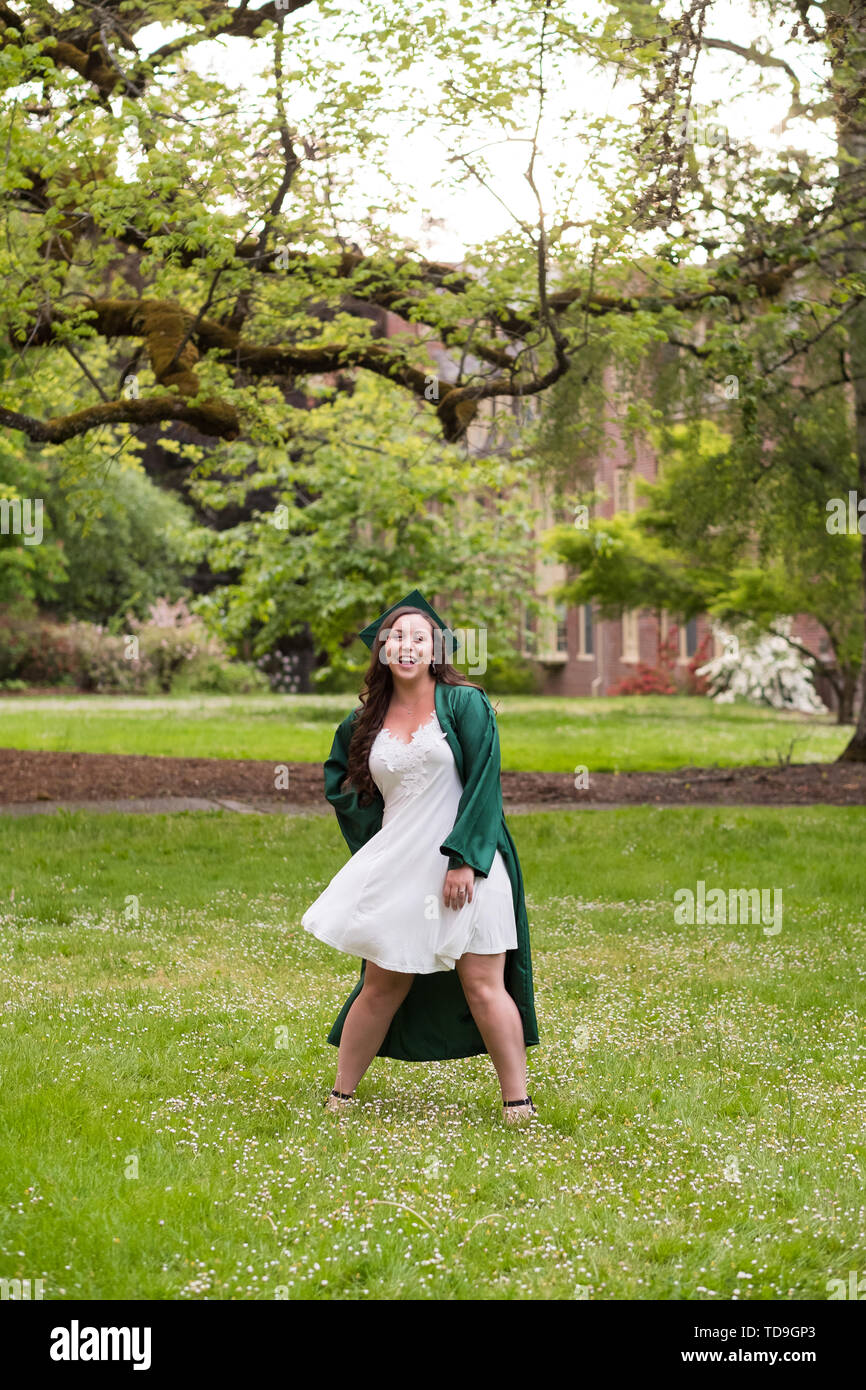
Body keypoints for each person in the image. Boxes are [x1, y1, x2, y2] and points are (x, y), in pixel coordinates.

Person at [301, 588, 540, 1125]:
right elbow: (342, 783)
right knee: (381, 983)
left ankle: (517, 1104)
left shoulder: (465, 705)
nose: (406, 645)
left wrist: (463, 860)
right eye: (395, 638)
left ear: (435, 649)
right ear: (383, 650)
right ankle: (339, 1099)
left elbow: (484, 784)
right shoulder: (365, 721)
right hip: (403, 869)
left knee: (483, 982)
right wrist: (380, 841)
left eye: (418, 637)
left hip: (471, 864)